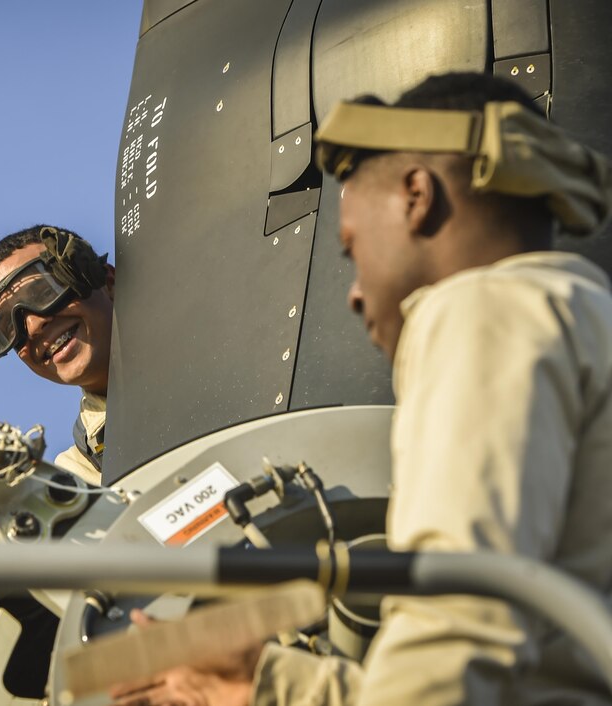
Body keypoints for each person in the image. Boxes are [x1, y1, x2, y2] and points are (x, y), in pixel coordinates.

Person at [111, 71, 612, 705]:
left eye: (351, 247)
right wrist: (266, 684)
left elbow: (458, 624)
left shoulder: (480, 311)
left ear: (416, 195)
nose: (352, 292)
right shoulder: (575, 316)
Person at [0, 224, 115, 486]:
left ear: (108, 282)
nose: (33, 326)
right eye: (9, 326)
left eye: (44, 292)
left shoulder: (209, 331)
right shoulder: (79, 475)